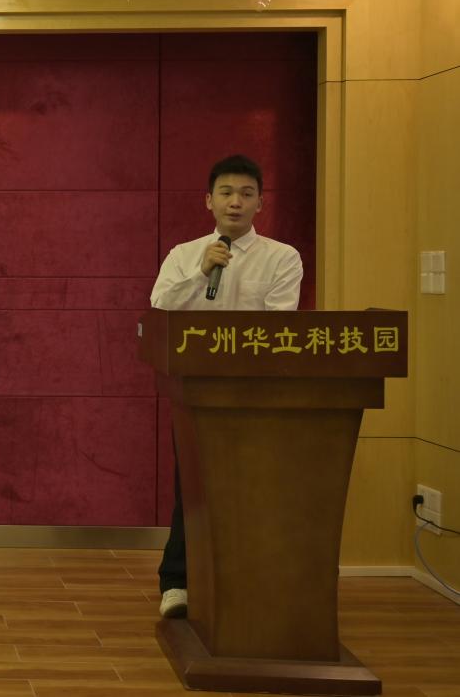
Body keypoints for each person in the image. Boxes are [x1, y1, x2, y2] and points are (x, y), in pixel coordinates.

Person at [149, 154, 303, 619]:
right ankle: (178, 582)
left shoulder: (282, 257)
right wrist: (200, 273)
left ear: (260, 203)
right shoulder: (184, 255)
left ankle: (247, 582)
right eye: (226, 193)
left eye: (246, 194)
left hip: (256, 393)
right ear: (209, 201)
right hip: (194, 390)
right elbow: (159, 310)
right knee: (192, 487)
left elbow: (279, 325)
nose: (236, 202)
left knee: (252, 488)